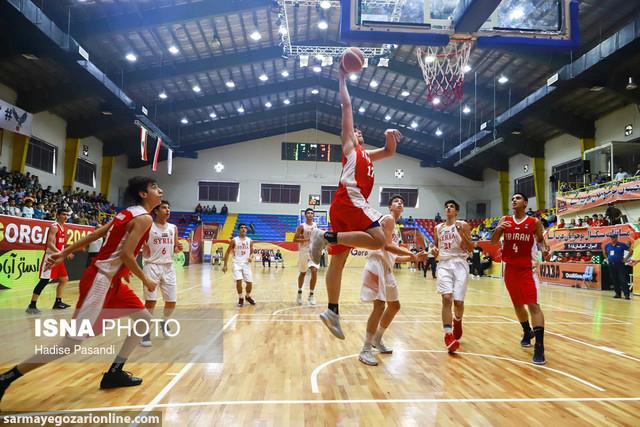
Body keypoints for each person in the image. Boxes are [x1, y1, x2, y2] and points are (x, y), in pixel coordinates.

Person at [0, 176, 162, 402]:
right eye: (155, 187)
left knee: (143, 318)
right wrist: (146, 279)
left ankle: (114, 373)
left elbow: (96, 235)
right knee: (70, 343)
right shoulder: (143, 218)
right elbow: (125, 255)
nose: (160, 191)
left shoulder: (127, 212)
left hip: (112, 281)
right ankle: (7, 378)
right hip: (101, 281)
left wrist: (64, 253)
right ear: (143, 194)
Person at [308, 65, 401, 340]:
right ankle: (325, 236)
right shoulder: (350, 147)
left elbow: (390, 150)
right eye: (355, 131)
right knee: (379, 240)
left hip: (345, 205)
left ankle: (332, 311)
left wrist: (389, 135)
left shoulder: (368, 156)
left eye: (360, 131)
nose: (357, 132)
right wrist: (341, 77)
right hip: (350, 199)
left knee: (339, 261)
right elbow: (346, 105)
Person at [359, 194, 426, 366]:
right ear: (390, 207)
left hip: (387, 267)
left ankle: (377, 340)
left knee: (394, 306)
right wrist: (410, 253)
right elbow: (386, 246)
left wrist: (414, 258)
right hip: (376, 264)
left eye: (402, 202)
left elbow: (394, 257)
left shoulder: (395, 228)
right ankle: (366, 349)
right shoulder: (388, 219)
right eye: (396, 201)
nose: (400, 203)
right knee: (379, 305)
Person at [491, 192, 549, 365]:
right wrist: (499, 228)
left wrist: (545, 249)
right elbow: (494, 242)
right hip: (510, 269)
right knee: (517, 304)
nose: (514, 200)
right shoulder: (505, 219)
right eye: (512, 198)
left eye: (518, 198)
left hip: (527, 270)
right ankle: (526, 331)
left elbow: (540, 241)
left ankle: (539, 346)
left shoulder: (534, 222)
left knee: (533, 305)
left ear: (525, 203)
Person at [432, 200, 473, 353]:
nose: (448, 208)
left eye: (452, 207)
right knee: (447, 297)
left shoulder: (463, 225)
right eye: (447, 206)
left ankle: (458, 320)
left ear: (456, 212)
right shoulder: (438, 228)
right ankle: (448, 334)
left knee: (458, 303)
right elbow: (435, 246)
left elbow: (470, 247)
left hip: (460, 263)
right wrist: (434, 250)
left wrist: (463, 234)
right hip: (443, 264)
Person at [140, 200, 182, 347]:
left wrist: (178, 248)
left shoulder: (173, 228)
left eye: (169, 208)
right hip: (152, 266)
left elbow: (176, 247)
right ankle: (145, 333)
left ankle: (163, 322)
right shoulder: (147, 226)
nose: (168, 210)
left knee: (171, 302)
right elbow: (140, 244)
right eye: (164, 207)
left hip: (168, 267)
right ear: (156, 211)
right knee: (151, 302)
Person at [26, 208, 73, 314]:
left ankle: (58, 302)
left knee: (64, 279)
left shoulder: (62, 227)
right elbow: (50, 244)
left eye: (67, 215)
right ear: (57, 215)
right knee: (44, 281)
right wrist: (63, 253)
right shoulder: (54, 227)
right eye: (63, 214)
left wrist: (66, 251)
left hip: (59, 258)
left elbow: (60, 244)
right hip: (51, 258)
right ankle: (32, 305)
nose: (66, 217)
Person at [223, 224, 255, 307]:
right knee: (239, 281)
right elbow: (227, 252)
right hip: (236, 263)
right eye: (241, 228)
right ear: (239, 230)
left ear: (246, 230)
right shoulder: (234, 240)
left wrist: (251, 257)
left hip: (246, 264)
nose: (243, 229)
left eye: (245, 228)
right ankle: (241, 298)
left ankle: (247, 296)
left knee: (249, 283)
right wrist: (225, 265)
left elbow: (252, 252)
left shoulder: (250, 241)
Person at [294, 208, 319, 305]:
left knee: (314, 271)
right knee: (303, 273)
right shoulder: (301, 226)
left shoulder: (316, 226)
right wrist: (305, 240)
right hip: (304, 251)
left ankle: (311, 295)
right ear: (305, 215)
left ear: (313, 215)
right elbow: (294, 239)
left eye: (312, 213)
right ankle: (299, 293)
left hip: (313, 251)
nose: (310, 214)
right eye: (308, 213)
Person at [604, 234, 631, 299]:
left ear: (616, 238)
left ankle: (626, 294)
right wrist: (607, 259)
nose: (612, 239)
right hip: (611, 265)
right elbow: (604, 253)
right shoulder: (607, 245)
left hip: (620, 265)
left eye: (614, 237)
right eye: (611, 237)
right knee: (614, 279)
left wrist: (625, 259)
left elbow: (631, 251)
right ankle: (618, 294)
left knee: (622, 279)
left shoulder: (622, 245)